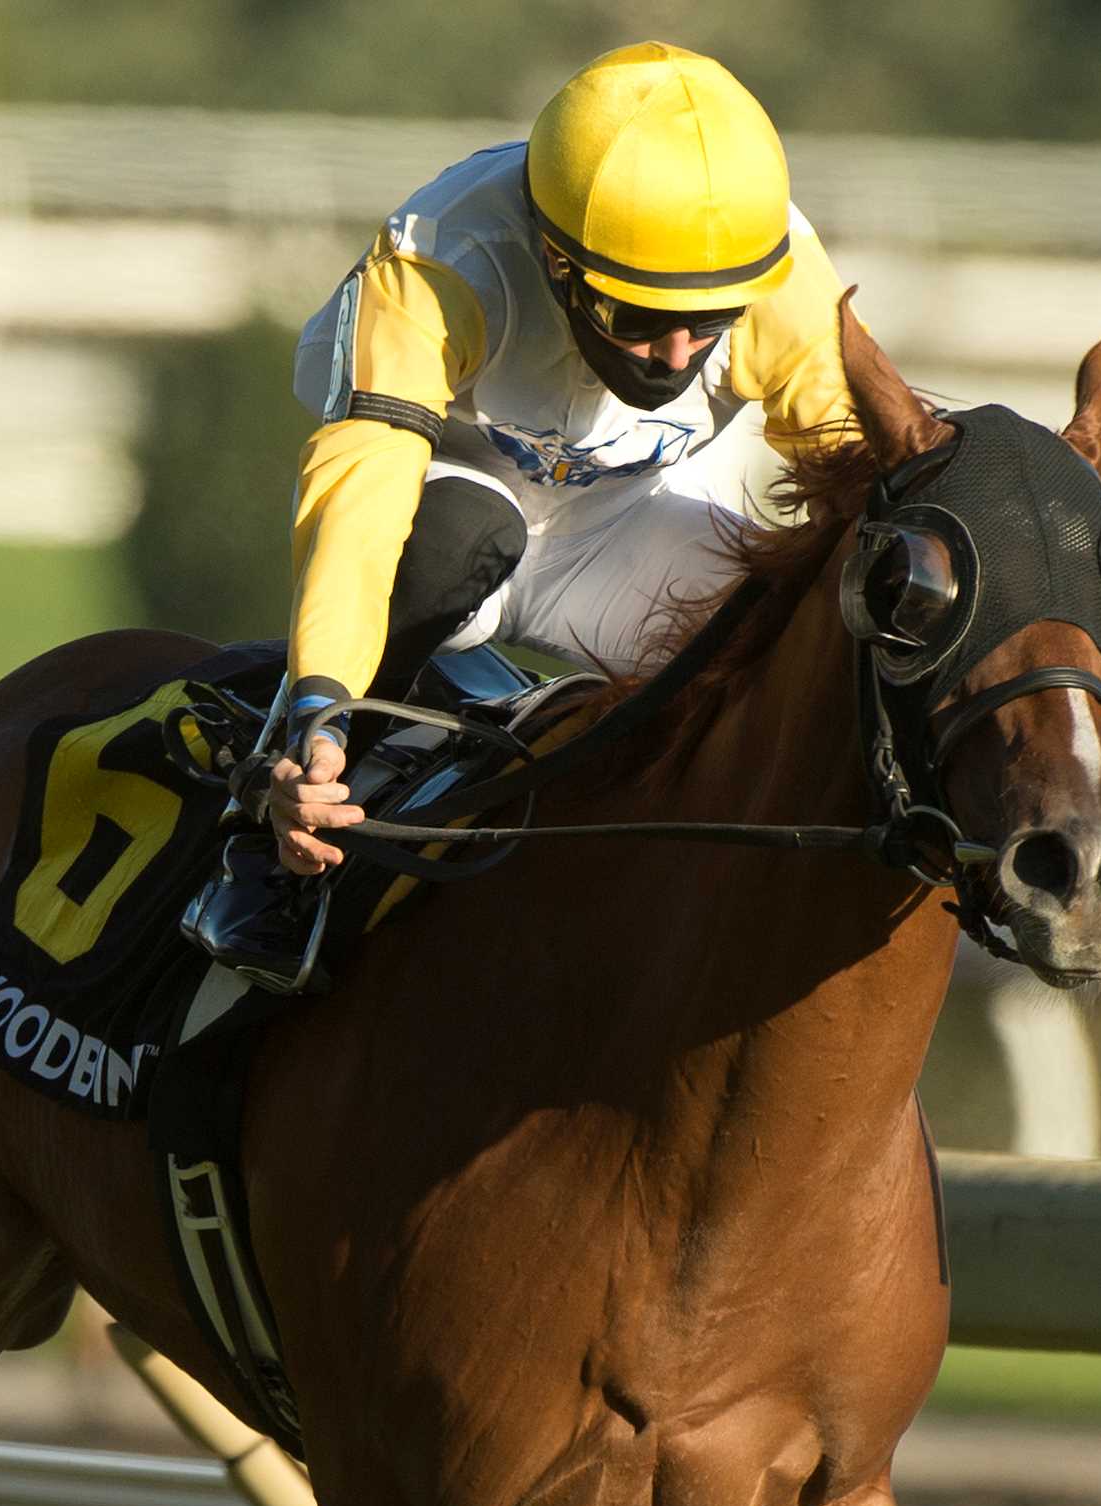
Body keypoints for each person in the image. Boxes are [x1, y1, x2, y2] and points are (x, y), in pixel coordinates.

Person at [187, 40, 867, 986]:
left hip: (624, 523)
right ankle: (258, 844)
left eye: (707, 322)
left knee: (779, 638)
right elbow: (362, 504)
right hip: (447, 503)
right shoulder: (445, 261)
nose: (677, 355)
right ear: (555, 258)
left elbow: (865, 496)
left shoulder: (776, 282)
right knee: (464, 539)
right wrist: (320, 716)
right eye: (637, 316)